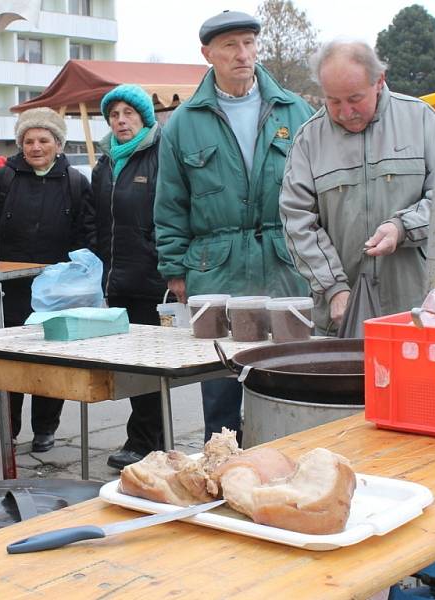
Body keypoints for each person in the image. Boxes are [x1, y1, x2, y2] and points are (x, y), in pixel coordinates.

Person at [153, 10, 313, 446]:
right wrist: (176, 270)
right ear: (207, 54)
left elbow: (320, 194)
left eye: (248, 43)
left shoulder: (296, 110)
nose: (242, 54)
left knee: (288, 375)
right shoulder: (184, 123)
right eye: (230, 46)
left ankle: (286, 465)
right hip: (214, 270)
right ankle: (221, 471)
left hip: (285, 263)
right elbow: (170, 203)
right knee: (220, 385)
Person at [279, 40, 435, 333]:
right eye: (333, 101)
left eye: (354, 98)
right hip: (342, 317)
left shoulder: (423, 120)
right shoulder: (308, 140)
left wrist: (402, 228)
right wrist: (333, 287)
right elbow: (297, 222)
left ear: (379, 81)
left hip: (415, 313)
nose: (345, 111)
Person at [0, 107, 90, 452]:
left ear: (58, 143)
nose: (36, 147)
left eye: (44, 140)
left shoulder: (76, 182)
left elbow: (87, 234)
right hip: (11, 288)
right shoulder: (3, 179)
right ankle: (8, 429)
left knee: (51, 360)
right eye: (29, 140)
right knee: (11, 360)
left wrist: (75, 278)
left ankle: (46, 428)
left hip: (57, 290)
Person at [83, 84, 166, 469]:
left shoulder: (158, 156)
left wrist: (165, 263)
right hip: (116, 281)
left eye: (128, 114)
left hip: (152, 280)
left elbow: (170, 215)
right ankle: (147, 440)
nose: (120, 121)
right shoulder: (106, 164)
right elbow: (99, 223)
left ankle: (147, 442)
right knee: (133, 365)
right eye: (114, 115)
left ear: (143, 118)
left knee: (153, 364)